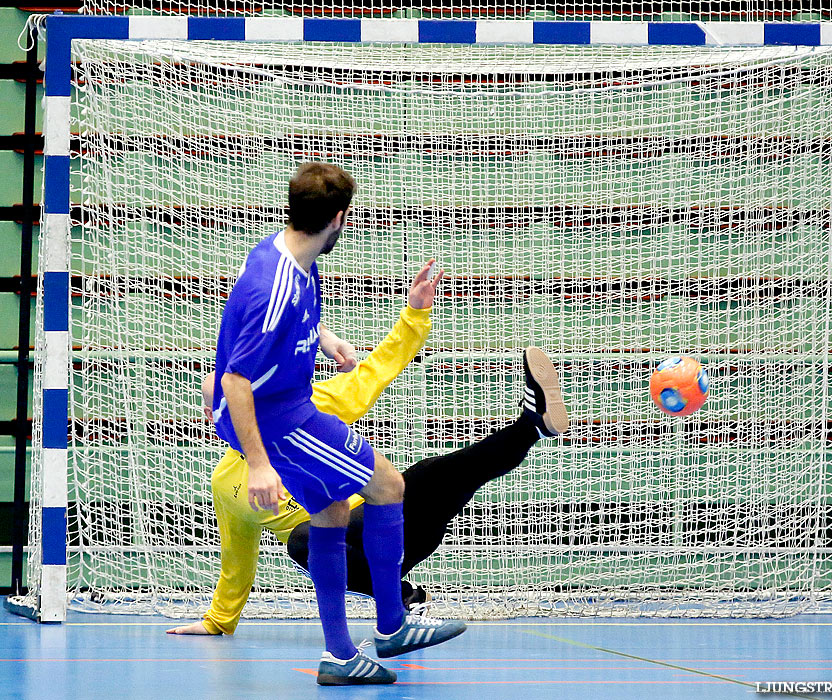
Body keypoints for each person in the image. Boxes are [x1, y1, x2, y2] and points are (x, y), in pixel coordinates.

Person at [208, 162, 463, 685]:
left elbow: (293, 315)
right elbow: (234, 380)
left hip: (281, 406)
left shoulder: (284, 252)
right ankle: (392, 625)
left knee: (328, 512)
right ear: (340, 219)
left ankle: (339, 656)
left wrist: (325, 339)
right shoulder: (272, 289)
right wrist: (257, 464)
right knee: (389, 486)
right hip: (279, 417)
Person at [166, 338, 569, 637]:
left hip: (392, 525)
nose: (238, 413)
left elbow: (374, 373)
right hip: (346, 558)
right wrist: (217, 620)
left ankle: (531, 426)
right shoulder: (226, 483)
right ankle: (397, 600)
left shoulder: (309, 409)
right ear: (212, 416)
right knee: (303, 539)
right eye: (225, 409)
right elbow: (237, 558)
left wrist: (414, 316)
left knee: (439, 473)